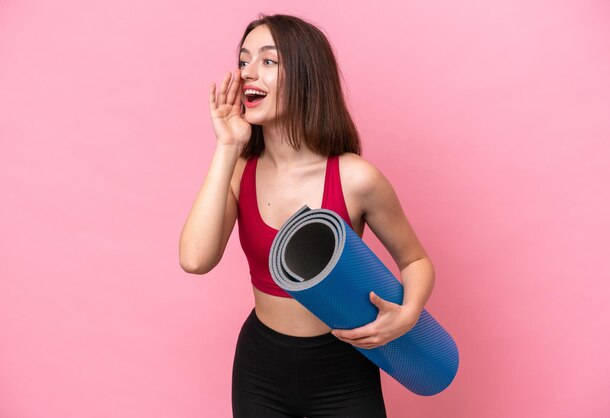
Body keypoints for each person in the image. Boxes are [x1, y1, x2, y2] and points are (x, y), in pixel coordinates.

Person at [179, 13, 435, 418]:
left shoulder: (355, 178)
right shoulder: (241, 170)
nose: (248, 73)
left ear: (305, 75)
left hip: (344, 367)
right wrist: (227, 147)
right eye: (243, 60)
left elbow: (416, 261)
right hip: (260, 368)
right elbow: (195, 259)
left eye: (267, 61)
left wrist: (407, 315)